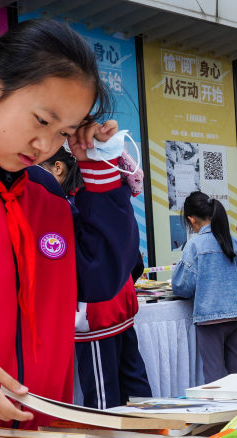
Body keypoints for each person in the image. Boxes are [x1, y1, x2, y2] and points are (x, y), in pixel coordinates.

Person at [0, 19, 139, 437]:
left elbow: (101, 278)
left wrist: (100, 169)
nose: (46, 146)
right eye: (40, 120)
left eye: (64, 133)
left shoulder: (43, 194)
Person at [36, 148, 151, 410]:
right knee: (134, 379)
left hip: (95, 311)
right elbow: (134, 260)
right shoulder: (104, 203)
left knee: (102, 394)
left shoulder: (69, 207)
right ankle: (152, 429)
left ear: (58, 168)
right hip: (120, 303)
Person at [172, 192, 237, 383]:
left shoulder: (194, 245)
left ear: (192, 220)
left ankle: (218, 411)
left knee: (214, 375)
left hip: (209, 319)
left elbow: (182, 286)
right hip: (235, 314)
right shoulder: (231, 241)